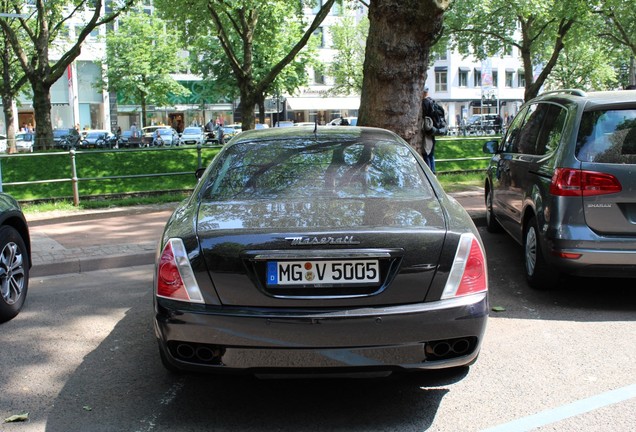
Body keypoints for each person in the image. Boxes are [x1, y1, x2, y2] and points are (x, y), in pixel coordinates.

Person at [421, 86, 446, 173]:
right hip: (433, 131)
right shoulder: (433, 102)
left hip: (427, 131)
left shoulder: (425, 103)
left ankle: (429, 175)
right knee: (431, 154)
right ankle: (433, 174)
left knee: (426, 154)